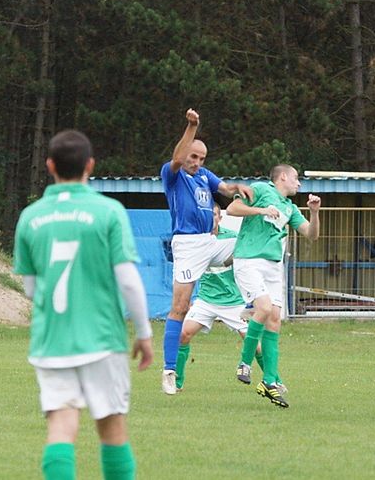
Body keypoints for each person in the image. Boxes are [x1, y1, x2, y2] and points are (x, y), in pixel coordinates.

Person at [14, 130, 154, 480]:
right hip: (102, 339)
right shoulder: (108, 211)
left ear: (49, 166)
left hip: (52, 340)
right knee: (112, 429)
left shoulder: (30, 217)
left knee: (61, 428)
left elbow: (31, 288)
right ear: (90, 165)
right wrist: (144, 331)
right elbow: (127, 279)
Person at [160, 108, 253, 395]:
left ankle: (254, 300)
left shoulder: (203, 176)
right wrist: (192, 126)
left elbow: (225, 188)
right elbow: (177, 159)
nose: (197, 163)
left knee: (248, 244)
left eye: (201, 158)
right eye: (194, 157)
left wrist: (238, 187)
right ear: (185, 153)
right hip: (187, 245)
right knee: (180, 307)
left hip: (209, 241)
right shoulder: (173, 174)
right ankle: (169, 370)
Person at [227, 164, 320, 408]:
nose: (298, 184)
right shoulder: (260, 189)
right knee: (265, 308)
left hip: (272, 266)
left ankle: (269, 382)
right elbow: (233, 208)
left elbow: (310, 234)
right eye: (295, 178)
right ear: (282, 177)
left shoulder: (290, 208)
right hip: (249, 260)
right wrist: (260, 210)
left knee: (275, 320)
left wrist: (315, 212)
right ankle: (244, 363)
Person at [174, 203, 269, 391]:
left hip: (233, 302)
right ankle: (176, 383)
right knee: (183, 334)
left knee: (256, 345)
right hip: (206, 300)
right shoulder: (196, 240)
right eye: (207, 215)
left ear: (220, 217)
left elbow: (247, 264)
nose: (211, 219)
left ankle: (272, 380)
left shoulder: (233, 239)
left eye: (215, 215)